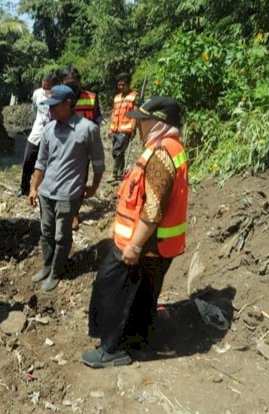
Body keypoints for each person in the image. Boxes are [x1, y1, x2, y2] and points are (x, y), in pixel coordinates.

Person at [82, 96, 188, 369]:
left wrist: (135, 246)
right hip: (155, 244)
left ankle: (112, 349)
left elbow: (153, 209)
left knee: (115, 291)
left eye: (142, 121)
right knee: (141, 297)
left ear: (157, 123)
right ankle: (139, 341)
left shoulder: (162, 154)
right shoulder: (166, 148)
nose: (138, 127)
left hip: (147, 245)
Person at [29, 85, 105, 292]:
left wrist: (94, 187)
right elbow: (41, 162)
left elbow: (98, 163)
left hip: (69, 194)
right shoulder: (48, 129)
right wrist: (34, 187)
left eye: (55, 106)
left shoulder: (88, 129)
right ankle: (47, 265)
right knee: (46, 232)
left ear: (68, 104)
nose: (50, 110)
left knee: (62, 236)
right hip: (47, 192)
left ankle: (56, 271)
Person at [60, 66, 103, 231]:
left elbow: (97, 119)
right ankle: (64, 212)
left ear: (79, 82)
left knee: (80, 181)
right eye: (67, 83)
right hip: (64, 146)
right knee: (63, 180)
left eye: (74, 83)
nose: (72, 86)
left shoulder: (91, 97)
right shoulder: (59, 98)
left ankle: (74, 214)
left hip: (84, 147)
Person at [19, 72, 56, 196]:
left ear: (52, 84)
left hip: (52, 133)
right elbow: (35, 109)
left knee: (49, 163)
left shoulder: (57, 95)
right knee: (28, 159)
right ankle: (24, 188)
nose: (45, 87)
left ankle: (46, 190)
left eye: (47, 85)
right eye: (43, 84)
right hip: (37, 131)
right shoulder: (37, 94)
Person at [108, 72, 139, 182]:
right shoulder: (117, 98)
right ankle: (121, 173)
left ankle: (114, 173)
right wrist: (110, 128)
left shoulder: (134, 96)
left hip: (126, 129)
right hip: (115, 129)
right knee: (117, 152)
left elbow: (135, 114)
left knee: (117, 151)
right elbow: (113, 114)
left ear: (128, 84)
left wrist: (133, 129)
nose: (121, 87)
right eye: (119, 85)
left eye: (123, 85)